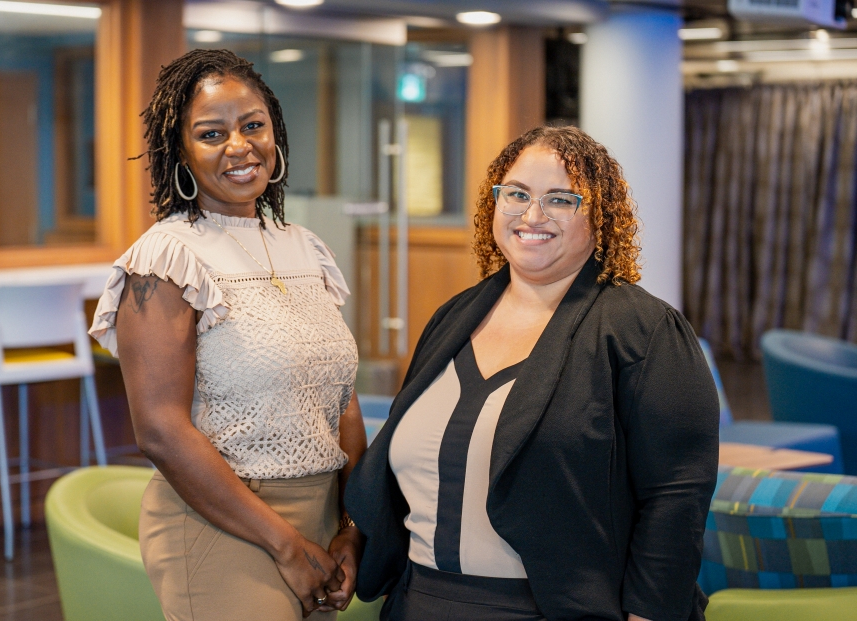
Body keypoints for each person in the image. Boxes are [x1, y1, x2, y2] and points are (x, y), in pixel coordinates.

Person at [344, 125, 720, 621]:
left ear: (600, 215)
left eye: (561, 199)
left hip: (552, 609)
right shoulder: (453, 317)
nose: (532, 215)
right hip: (419, 602)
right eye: (517, 194)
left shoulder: (643, 330)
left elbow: (676, 499)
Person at [89, 49, 366, 621]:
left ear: (275, 134)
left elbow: (341, 400)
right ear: (181, 153)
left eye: (253, 125)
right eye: (211, 133)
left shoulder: (304, 246)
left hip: (324, 521)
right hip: (222, 524)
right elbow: (161, 430)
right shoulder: (167, 257)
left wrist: (351, 526)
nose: (239, 146)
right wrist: (286, 544)